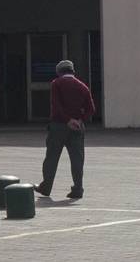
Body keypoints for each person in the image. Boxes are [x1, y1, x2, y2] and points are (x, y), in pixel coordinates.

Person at [36, 59, 95, 199]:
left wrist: (68, 120)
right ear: (73, 71)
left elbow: (56, 106)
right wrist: (79, 120)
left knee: (52, 157)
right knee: (77, 159)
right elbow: (91, 109)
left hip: (58, 126)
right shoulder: (83, 86)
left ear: (59, 72)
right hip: (77, 128)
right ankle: (78, 189)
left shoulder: (56, 83)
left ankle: (46, 186)